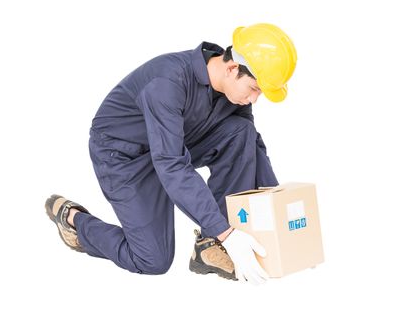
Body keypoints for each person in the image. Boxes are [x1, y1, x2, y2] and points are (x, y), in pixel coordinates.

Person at [45, 23, 297, 285]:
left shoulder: (232, 94)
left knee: (241, 132)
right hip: (122, 156)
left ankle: (209, 246)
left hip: (173, 145)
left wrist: (277, 211)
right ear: (233, 68)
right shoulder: (167, 82)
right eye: (255, 88)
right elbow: (172, 165)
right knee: (153, 260)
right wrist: (227, 232)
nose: (255, 99)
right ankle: (74, 221)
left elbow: (251, 146)